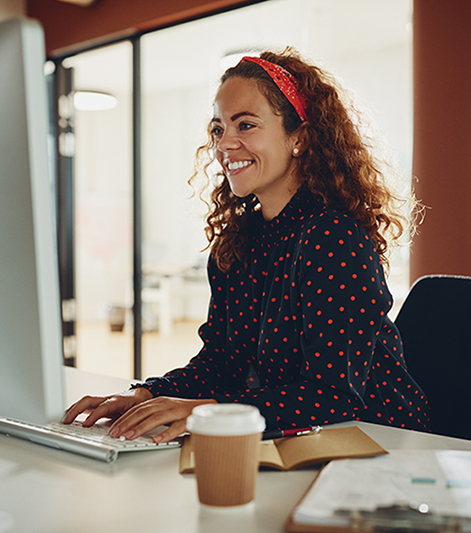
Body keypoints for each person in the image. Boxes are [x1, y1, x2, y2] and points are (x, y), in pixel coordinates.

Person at [64, 49, 430, 442]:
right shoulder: (237, 243)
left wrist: (208, 411)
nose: (225, 145)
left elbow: (334, 396)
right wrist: (143, 394)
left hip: (380, 441)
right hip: (296, 437)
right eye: (219, 129)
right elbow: (220, 364)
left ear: (300, 138)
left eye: (246, 125)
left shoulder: (334, 239)